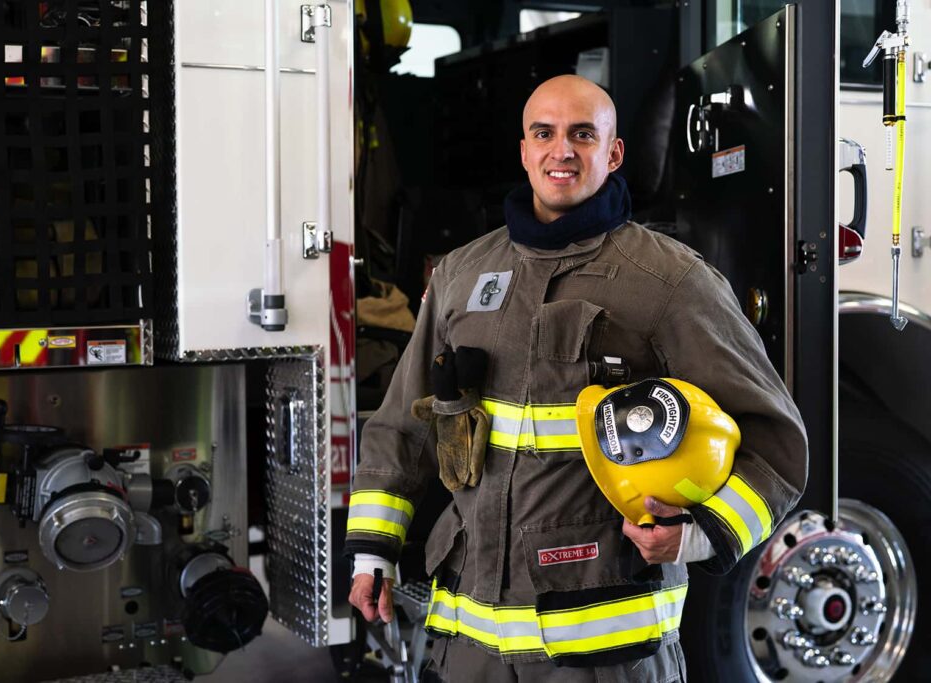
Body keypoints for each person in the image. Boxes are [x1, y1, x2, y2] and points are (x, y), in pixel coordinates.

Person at [345, 75, 808, 681]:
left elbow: (776, 441)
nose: (561, 151)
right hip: (466, 652)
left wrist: (695, 534)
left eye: (582, 135)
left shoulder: (671, 283)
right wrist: (373, 549)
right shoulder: (462, 275)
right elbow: (403, 423)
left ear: (613, 154)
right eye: (545, 133)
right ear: (524, 150)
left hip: (604, 655)